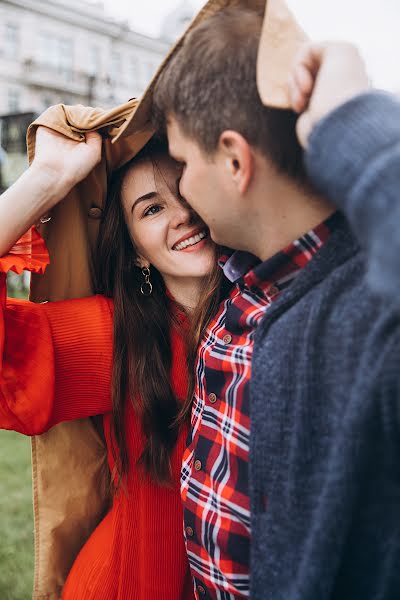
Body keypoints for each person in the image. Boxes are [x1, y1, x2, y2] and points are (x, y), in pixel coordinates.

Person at [151, 7, 400, 600]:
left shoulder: (367, 317)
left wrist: (350, 122)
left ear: (236, 161)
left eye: (183, 164)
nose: (181, 191)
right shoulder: (243, 280)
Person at [0, 126, 223, 599]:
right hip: (127, 585)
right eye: (152, 208)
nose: (182, 214)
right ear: (137, 252)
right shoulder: (116, 335)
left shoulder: (273, 307)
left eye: (186, 190)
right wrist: (46, 180)